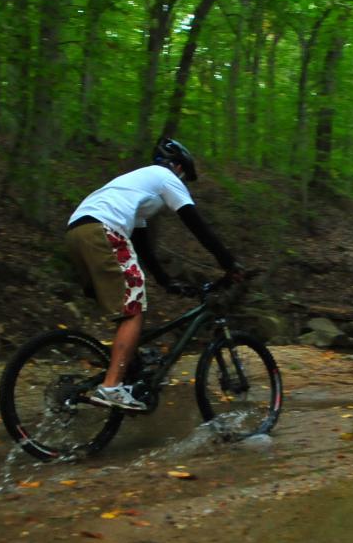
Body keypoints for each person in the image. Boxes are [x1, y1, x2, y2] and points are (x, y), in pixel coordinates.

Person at [65, 138, 240, 410]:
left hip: (77, 232)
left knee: (124, 308)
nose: (183, 181)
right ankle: (111, 387)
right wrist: (229, 264)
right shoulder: (165, 177)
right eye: (184, 175)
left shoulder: (135, 185)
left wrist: (165, 280)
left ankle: (124, 370)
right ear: (178, 167)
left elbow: (143, 242)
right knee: (133, 309)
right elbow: (196, 224)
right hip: (104, 229)